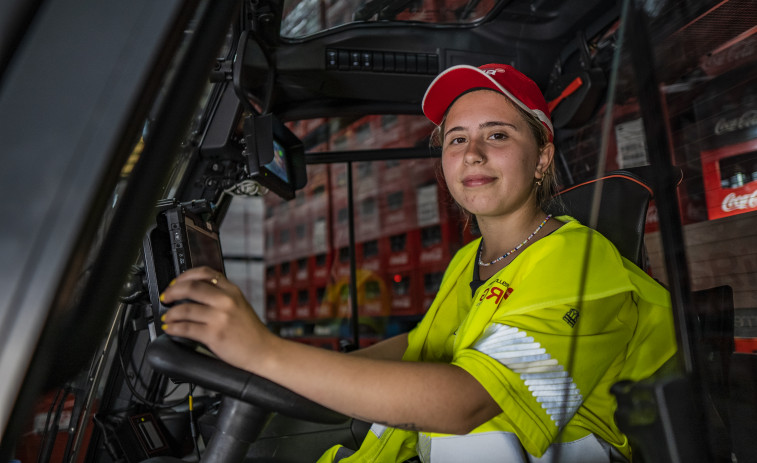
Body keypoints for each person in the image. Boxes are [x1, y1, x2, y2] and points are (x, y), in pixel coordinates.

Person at [160, 63, 677, 462]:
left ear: (542, 156)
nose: (472, 153)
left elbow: (467, 404)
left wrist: (265, 353)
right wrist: (295, 373)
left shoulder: (576, 261)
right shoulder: (471, 260)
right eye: (457, 139)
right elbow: (418, 344)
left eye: (497, 134)